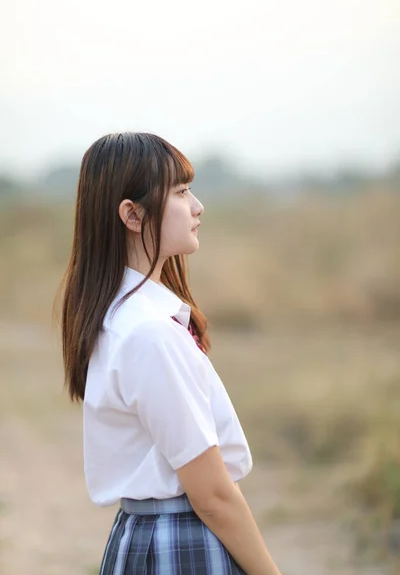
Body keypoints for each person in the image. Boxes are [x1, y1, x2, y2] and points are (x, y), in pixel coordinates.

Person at [58, 132, 281, 574]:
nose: (197, 206)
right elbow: (213, 495)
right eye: (180, 192)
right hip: (179, 541)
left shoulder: (126, 318)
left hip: (147, 535)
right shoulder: (148, 334)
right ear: (133, 215)